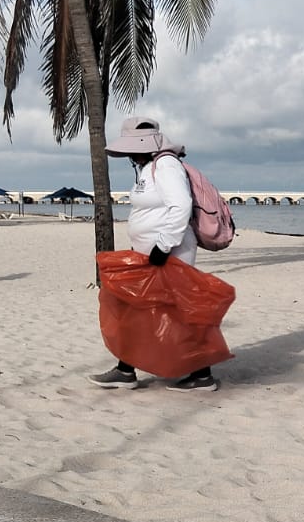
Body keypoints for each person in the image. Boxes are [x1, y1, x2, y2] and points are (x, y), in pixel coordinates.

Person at [89, 117, 216, 391]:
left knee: (174, 311)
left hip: (169, 253)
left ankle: (200, 374)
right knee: (140, 309)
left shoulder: (166, 165)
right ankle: (127, 369)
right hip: (151, 253)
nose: (130, 154)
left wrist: (163, 245)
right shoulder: (148, 167)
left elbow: (180, 206)